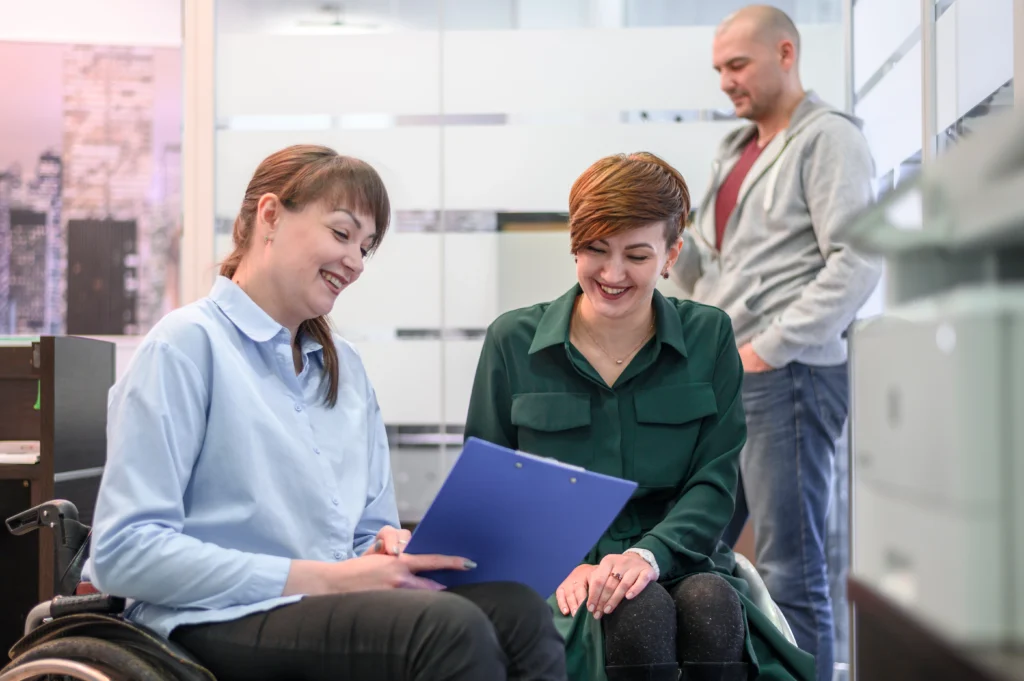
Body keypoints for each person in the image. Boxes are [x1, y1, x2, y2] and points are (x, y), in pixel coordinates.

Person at [85, 144, 568, 681]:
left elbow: (367, 530)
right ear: (269, 215)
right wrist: (324, 578)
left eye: (366, 247)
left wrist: (383, 546)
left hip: (323, 608)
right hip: (210, 619)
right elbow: (122, 554)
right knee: (448, 627)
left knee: (519, 612)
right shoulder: (185, 346)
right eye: (342, 235)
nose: (356, 263)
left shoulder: (346, 371)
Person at [465, 151, 814, 681]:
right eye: (595, 250)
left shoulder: (709, 337)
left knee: (710, 605)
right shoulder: (512, 342)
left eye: (637, 255)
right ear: (573, 245)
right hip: (560, 575)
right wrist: (561, 565)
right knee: (637, 612)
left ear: (672, 253)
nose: (612, 273)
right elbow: (489, 494)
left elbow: (714, 482)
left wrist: (649, 556)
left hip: (679, 560)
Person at [671, 6, 882, 681]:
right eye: (718, 70)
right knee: (698, 547)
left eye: (738, 65)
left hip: (786, 377)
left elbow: (858, 257)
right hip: (726, 379)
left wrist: (770, 346)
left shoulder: (828, 140)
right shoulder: (734, 151)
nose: (726, 82)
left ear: (786, 53)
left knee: (792, 565)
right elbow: (710, 257)